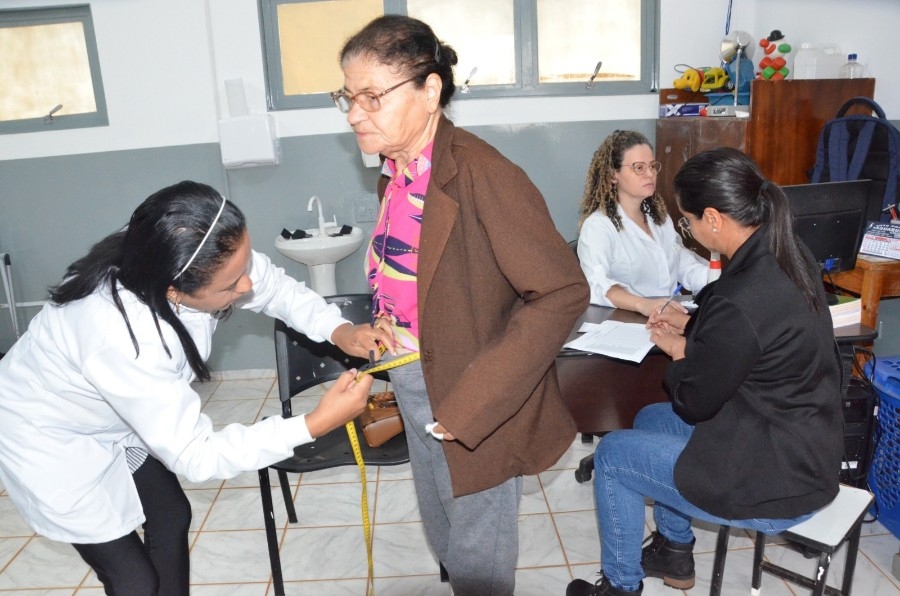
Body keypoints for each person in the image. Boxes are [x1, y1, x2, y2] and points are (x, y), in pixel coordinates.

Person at [0, 180, 394, 596]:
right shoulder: (118, 336)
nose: (246, 287)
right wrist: (312, 424)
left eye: (244, 266)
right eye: (229, 286)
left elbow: (273, 287)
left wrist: (338, 328)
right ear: (173, 290)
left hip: (113, 415)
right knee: (134, 580)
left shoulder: (180, 250)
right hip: (49, 436)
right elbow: (197, 455)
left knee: (170, 516)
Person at [333, 15, 589, 595]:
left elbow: (562, 291)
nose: (353, 113)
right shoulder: (395, 174)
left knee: (479, 551)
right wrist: (386, 319)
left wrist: (477, 400)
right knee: (443, 525)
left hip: (475, 388)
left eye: (372, 96)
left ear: (430, 91)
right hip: (412, 376)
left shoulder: (483, 174)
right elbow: (422, 274)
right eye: (348, 97)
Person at [567, 147, 843, 596]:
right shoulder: (786, 257)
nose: (689, 231)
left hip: (775, 482)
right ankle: (675, 553)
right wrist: (693, 327)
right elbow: (750, 343)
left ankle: (620, 587)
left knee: (614, 454)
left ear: (713, 218)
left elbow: (695, 399)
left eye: (688, 221)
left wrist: (680, 355)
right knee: (650, 420)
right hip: (797, 445)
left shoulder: (742, 294)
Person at [576, 130, 708, 317]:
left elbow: (683, 264)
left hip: (665, 318)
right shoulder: (598, 226)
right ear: (613, 175)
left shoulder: (659, 219)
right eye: (639, 168)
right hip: (624, 322)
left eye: (653, 166)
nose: (650, 174)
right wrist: (644, 305)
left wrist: (722, 279)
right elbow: (596, 285)